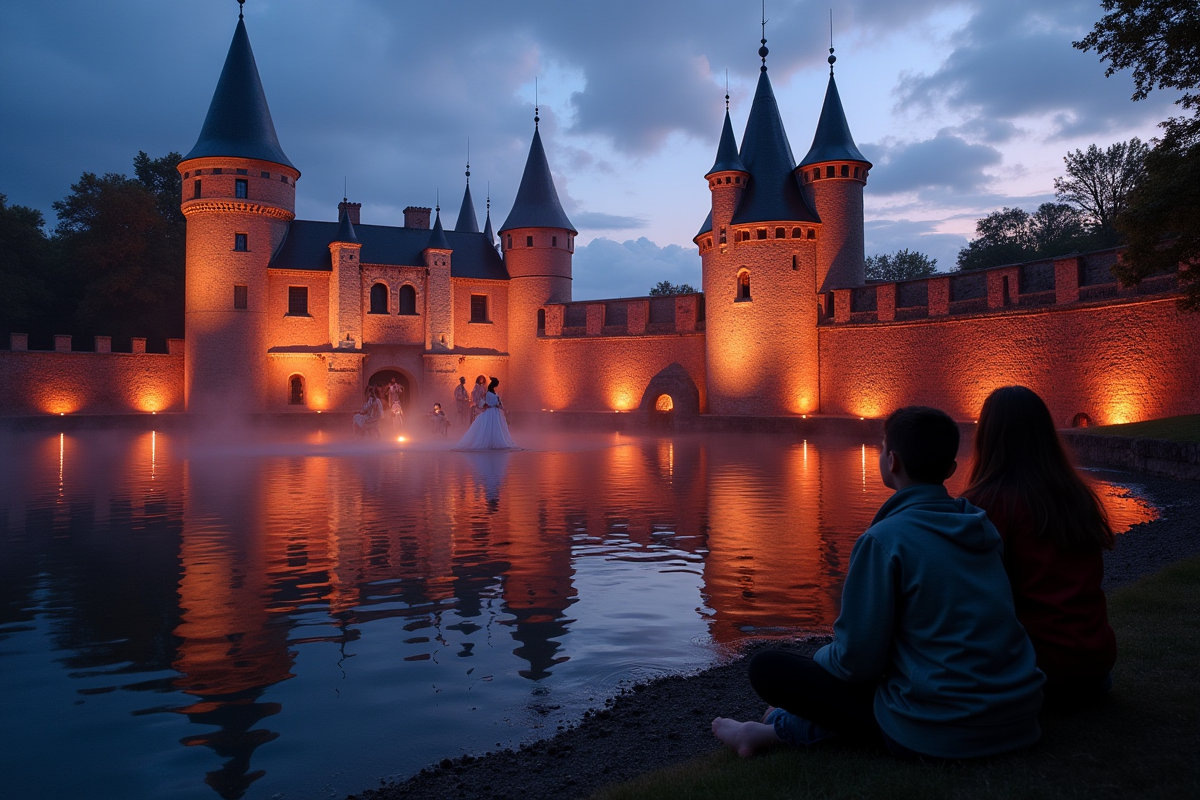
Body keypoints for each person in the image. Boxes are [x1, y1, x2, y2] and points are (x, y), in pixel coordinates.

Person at [713, 406, 1044, 761]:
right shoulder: (981, 527)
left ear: (892, 462)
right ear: (950, 470)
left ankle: (775, 728)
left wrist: (822, 656)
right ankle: (767, 730)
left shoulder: (885, 540)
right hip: (1017, 718)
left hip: (944, 730)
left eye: (882, 447)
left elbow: (856, 664)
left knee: (768, 668)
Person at [963, 386, 1116, 705]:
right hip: (1095, 665)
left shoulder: (985, 505)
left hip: (1039, 670)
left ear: (988, 436)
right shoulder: (1076, 497)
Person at [453, 377, 517, 450]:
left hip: (495, 412)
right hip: (490, 411)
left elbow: (498, 402)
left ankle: (494, 441)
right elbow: (479, 398)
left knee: (496, 427)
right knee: (488, 426)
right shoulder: (486, 392)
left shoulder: (492, 392)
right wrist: (484, 404)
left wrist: (502, 408)